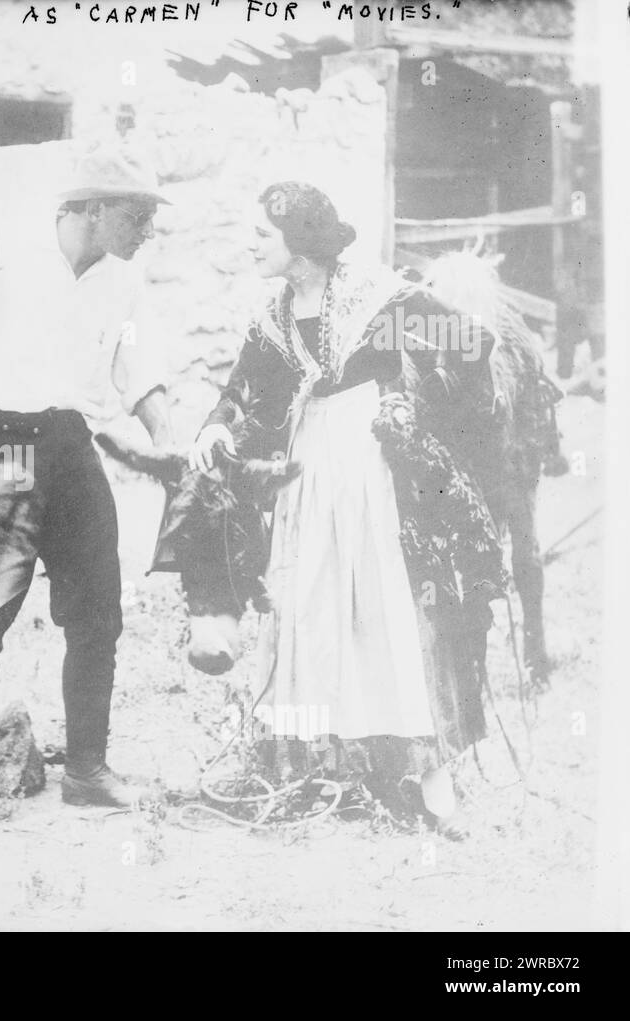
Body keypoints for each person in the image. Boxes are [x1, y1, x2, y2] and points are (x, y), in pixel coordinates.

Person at [190, 181, 494, 836]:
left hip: (372, 471)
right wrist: (217, 427)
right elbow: (241, 390)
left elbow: (473, 343)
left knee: (382, 608)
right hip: (306, 477)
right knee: (307, 606)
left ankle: (427, 778)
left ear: (300, 246)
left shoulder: (381, 303)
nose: (251, 243)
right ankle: (307, 768)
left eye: (262, 235)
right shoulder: (273, 317)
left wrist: (430, 418)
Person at [0, 147, 176, 864]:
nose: (147, 226)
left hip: (66, 439)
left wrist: (170, 435)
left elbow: (138, 366)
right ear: (86, 210)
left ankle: (85, 769)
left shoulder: (122, 279)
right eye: (134, 212)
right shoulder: (3, 250)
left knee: (97, 609)